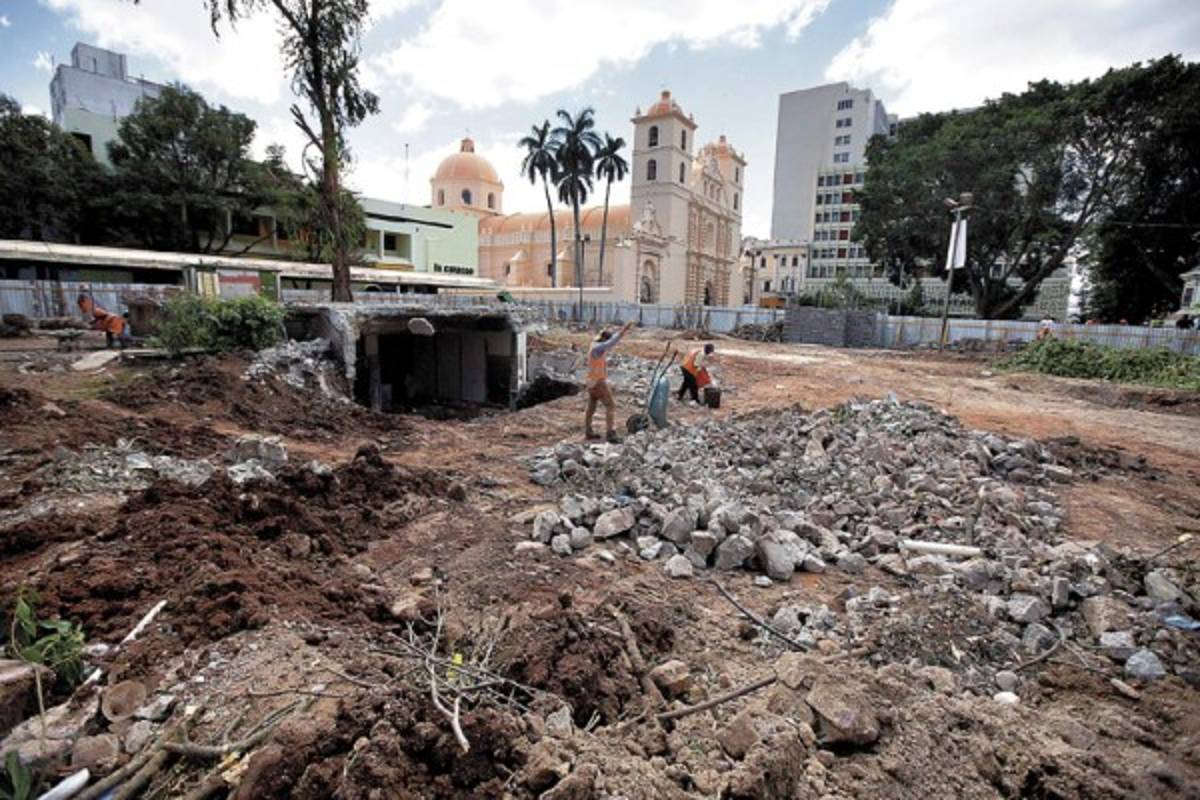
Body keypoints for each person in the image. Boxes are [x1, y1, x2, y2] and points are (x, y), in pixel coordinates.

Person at [585, 320, 635, 443]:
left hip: (590, 381)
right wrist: (625, 329)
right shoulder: (599, 348)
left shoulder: (593, 345)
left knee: (591, 407)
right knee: (610, 405)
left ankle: (588, 431)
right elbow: (612, 342)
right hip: (598, 382)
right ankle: (610, 434)